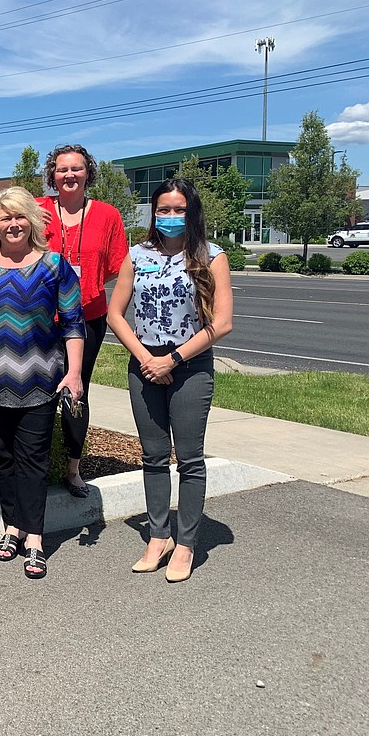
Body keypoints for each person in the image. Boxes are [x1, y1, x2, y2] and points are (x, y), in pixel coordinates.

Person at [106, 178, 233, 583]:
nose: (171, 217)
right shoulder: (137, 255)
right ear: (153, 213)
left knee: (190, 460)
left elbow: (222, 323)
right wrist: (146, 358)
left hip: (189, 368)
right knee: (153, 456)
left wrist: (173, 359)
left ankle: (187, 543)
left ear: (191, 212)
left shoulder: (211, 257)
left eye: (179, 210)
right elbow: (114, 314)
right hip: (144, 366)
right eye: (164, 209)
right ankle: (158, 536)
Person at [0, 187, 85, 579]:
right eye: (5, 217)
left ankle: (34, 538)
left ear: (32, 221)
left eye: (19, 217)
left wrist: (74, 373)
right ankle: (11, 527)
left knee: (32, 460)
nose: (13, 224)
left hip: (40, 379)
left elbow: (73, 323)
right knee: (3, 458)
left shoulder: (54, 266)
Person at [36, 144, 129, 498]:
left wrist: (83, 285)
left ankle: (73, 467)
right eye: (62, 170)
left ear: (88, 172)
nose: (69, 175)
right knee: (38, 393)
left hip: (87, 316)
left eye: (76, 169)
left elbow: (117, 266)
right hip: (41, 319)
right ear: (52, 175)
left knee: (77, 390)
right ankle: (37, 466)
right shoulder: (38, 208)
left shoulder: (107, 215)